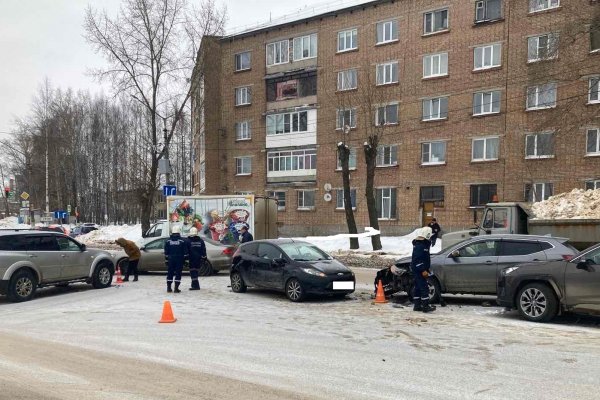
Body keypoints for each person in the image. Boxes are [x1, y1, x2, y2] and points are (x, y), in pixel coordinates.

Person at [411, 227, 436, 313]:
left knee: (418, 288)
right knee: (424, 288)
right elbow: (417, 259)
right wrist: (423, 270)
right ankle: (425, 306)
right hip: (419, 270)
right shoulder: (420, 246)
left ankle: (417, 306)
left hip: (418, 269)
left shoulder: (422, 244)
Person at [164, 225, 188, 293]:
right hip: (179, 259)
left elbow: (166, 252)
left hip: (171, 259)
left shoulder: (168, 241)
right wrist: (186, 260)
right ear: (179, 232)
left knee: (170, 273)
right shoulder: (182, 241)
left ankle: (169, 288)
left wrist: (166, 260)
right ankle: (176, 288)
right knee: (178, 273)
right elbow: (185, 252)